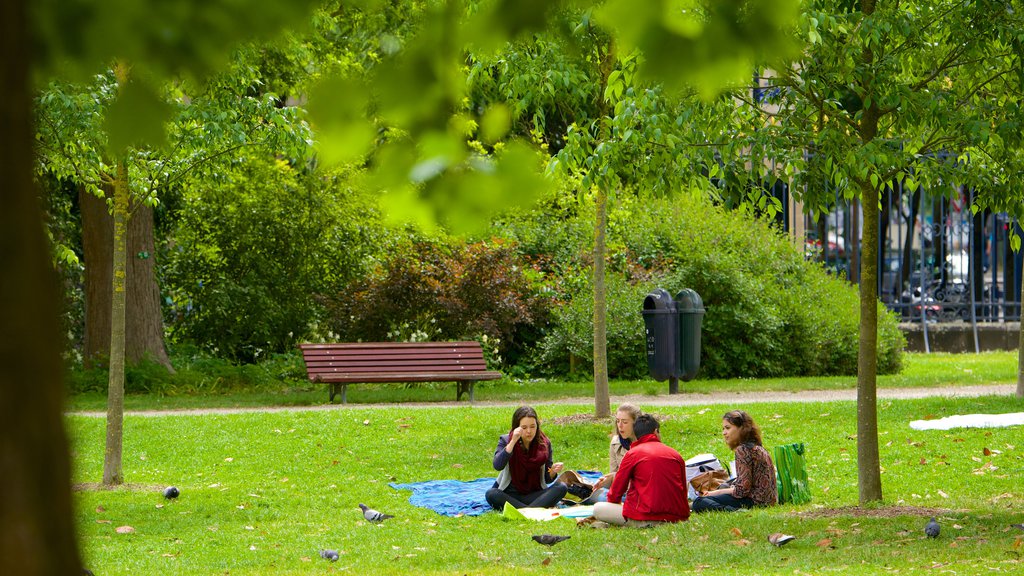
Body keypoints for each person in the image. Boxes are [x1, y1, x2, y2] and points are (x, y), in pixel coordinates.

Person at [592, 413, 689, 526]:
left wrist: (616, 506)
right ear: (655, 431)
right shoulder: (675, 454)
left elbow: (616, 492)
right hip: (677, 518)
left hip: (644, 517)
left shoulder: (633, 454)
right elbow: (683, 490)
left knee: (598, 508)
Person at [691, 409, 778, 513]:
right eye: (723, 429)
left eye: (728, 428)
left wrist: (713, 493)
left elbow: (742, 491)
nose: (724, 433)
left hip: (755, 502)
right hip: (768, 501)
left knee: (699, 502)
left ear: (742, 428)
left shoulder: (743, 450)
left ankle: (732, 511)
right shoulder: (757, 447)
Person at [485, 406, 567, 511]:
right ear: (516, 428)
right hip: (510, 495)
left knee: (561, 487)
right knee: (491, 494)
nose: (529, 431)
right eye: (524, 427)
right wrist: (513, 442)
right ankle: (532, 510)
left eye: (533, 426)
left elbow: (547, 479)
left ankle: (524, 510)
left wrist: (553, 471)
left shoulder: (544, 444)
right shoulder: (506, 440)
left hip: (534, 494)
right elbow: (497, 465)